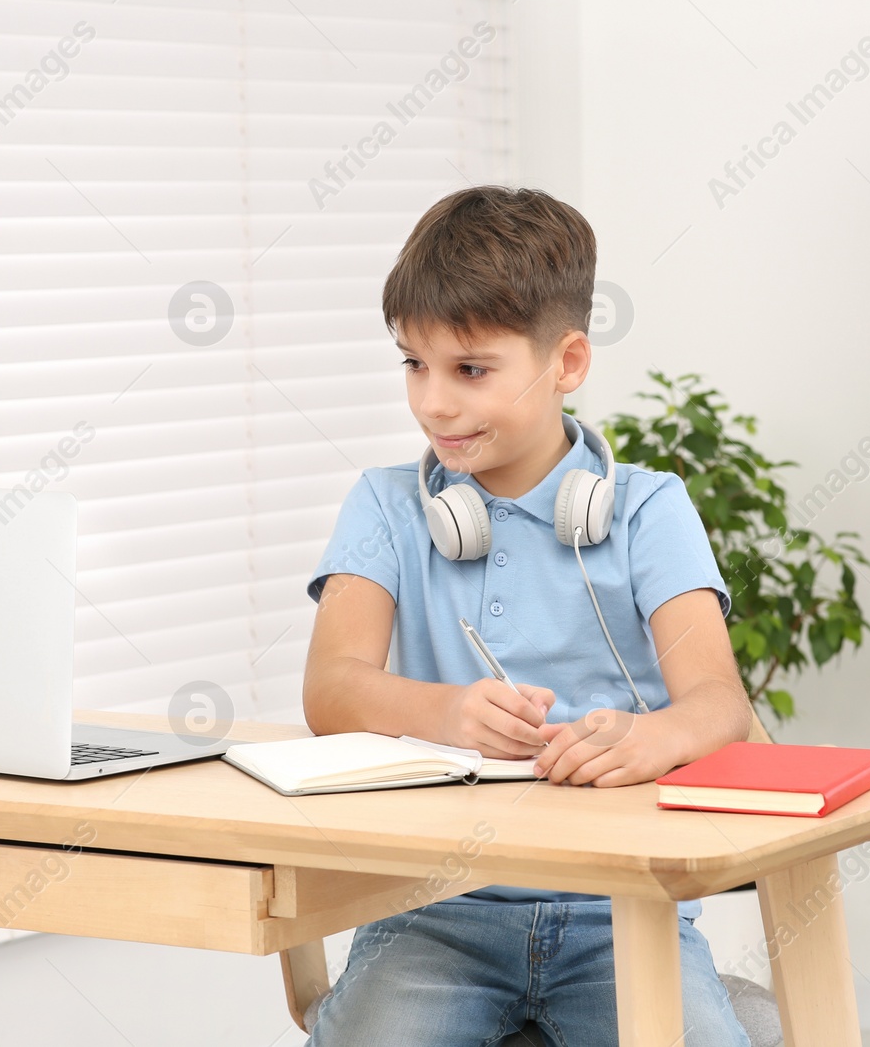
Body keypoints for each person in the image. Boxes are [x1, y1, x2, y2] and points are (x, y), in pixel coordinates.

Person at [301, 184, 753, 1046]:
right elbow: (332, 689)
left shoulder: (649, 510)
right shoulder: (386, 507)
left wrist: (649, 737)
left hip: (620, 913)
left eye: (470, 369)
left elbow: (721, 705)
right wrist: (444, 712)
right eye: (413, 363)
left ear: (567, 363)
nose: (434, 401)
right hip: (432, 909)